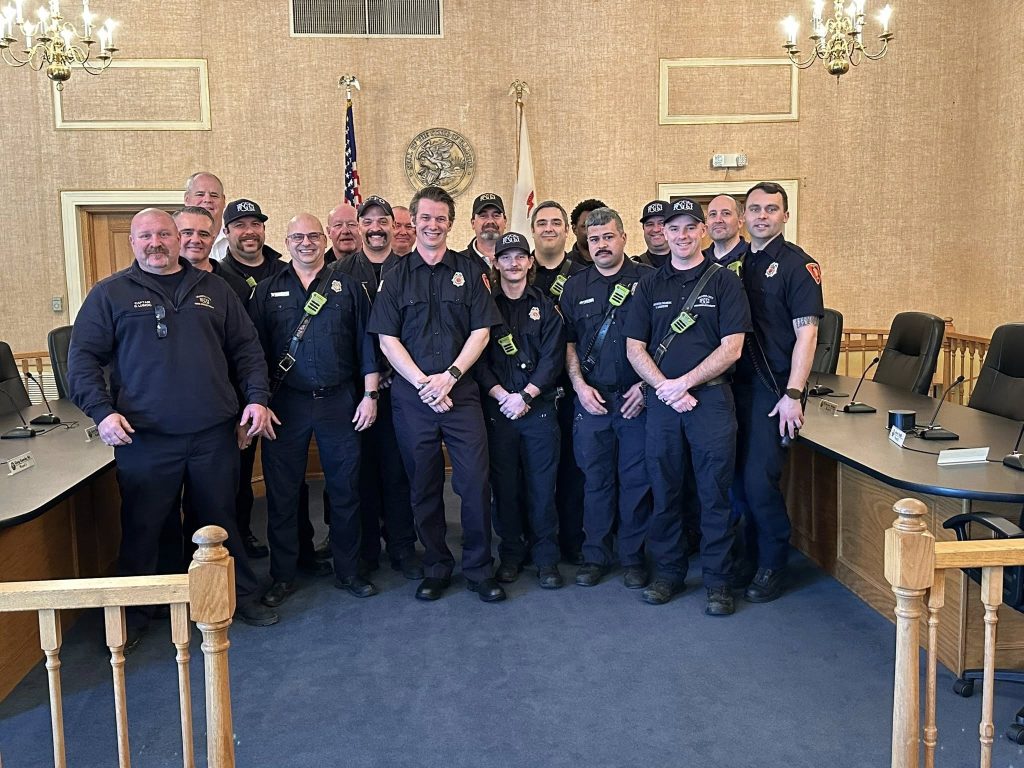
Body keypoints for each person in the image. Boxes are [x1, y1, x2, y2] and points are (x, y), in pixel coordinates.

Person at [67, 208, 278, 639]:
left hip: (212, 434)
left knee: (219, 521)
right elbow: (82, 360)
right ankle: (139, 612)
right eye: (146, 236)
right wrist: (102, 412)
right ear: (133, 242)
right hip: (144, 438)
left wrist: (257, 399)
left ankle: (236, 596)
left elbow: (247, 350)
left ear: (178, 240)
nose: (156, 243)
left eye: (164, 234)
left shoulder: (215, 289)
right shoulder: (110, 294)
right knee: (144, 527)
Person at [368, 185, 505, 603]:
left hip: (460, 395)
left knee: (474, 483)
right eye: (425, 218)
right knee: (423, 485)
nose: (432, 225)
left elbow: (482, 331)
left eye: (440, 218)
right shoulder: (394, 277)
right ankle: (436, 566)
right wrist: (424, 384)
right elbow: (387, 339)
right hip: (414, 399)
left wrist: (450, 376)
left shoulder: (470, 272)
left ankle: (479, 568)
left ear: (450, 223)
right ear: (412, 222)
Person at [624, 198, 751, 614]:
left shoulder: (724, 282)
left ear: (702, 231)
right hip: (663, 404)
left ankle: (718, 582)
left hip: (711, 401)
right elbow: (634, 348)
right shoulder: (649, 285)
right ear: (663, 233)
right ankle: (669, 573)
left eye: (689, 227)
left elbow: (732, 347)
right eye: (673, 228)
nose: (681, 235)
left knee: (714, 494)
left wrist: (684, 383)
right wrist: (665, 387)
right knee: (665, 490)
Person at [248, 213, 381, 607]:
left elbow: (367, 345)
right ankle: (284, 574)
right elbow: (253, 352)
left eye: (312, 236)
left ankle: (348, 569)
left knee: (345, 489)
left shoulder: (350, 288)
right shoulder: (267, 290)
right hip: (285, 405)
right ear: (286, 242)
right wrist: (259, 401)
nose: (305, 243)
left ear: (324, 239)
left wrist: (370, 395)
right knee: (283, 492)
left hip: (339, 402)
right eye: (297, 237)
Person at [733, 181, 823, 603]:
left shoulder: (798, 266)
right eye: (754, 209)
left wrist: (794, 393)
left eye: (771, 209)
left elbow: (807, 334)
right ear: (744, 217)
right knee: (736, 480)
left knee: (759, 481)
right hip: (734, 386)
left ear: (785, 216)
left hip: (773, 391)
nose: (762, 216)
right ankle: (749, 557)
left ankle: (773, 563)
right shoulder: (735, 263)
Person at [559, 207, 653, 589]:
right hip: (593, 401)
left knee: (636, 482)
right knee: (595, 480)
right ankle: (595, 555)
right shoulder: (575, 286)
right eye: (594, 239)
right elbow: (568, 344)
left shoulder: (648, 281)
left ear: (624, 238)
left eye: (608, 237)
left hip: (636, 400)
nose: (601, 245)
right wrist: (579, 387)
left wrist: (646, 386)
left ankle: (633, 558)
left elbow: (662, 340)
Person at [477, 232, 566, 588]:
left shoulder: (546, 306)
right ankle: (511, 554)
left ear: (530, 262)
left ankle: (546, 559)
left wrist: (525, 396)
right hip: (499, 412)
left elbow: (553, 358)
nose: (513, 263)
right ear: (495, 263)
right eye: (506, 257)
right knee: (505, 489)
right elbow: (479, 360)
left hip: (539, 411)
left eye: (520, 257)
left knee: (543, 489)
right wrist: (503, 396)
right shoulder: (484, 307)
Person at [341, 195, 421, 579]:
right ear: (359, 227)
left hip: (401, 388)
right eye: (367, 221)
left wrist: (392, 370)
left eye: (383, 221)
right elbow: (341, 333)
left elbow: (417, 329)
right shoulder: (339, 272)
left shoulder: (411, 270)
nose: (376, 228)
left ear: (394, 226)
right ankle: (367, 550)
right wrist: (369, 378)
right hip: (355, 392)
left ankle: (403, 547)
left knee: (397, 470)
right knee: (360, 472)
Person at [214, 199, 289, 560]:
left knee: (285, 470)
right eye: (240, 225)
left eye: (255, 224)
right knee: (239, 472)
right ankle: (240, 538)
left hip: (285, 388)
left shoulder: (284, 269)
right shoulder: (216, 278)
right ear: (226, 232)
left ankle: (294, 544)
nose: (249, 232)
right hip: (238, 391)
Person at [529, 200, 586, 563]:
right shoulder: (517, 270)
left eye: (555, 222)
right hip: (528, 389)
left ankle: (572, 540)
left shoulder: (584, 274)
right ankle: (529, 541)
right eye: (542, 223)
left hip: (572, 386)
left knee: (572, 467)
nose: (548, 228)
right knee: (530, 472)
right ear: (533, 230)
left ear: (567, 230)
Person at [174, 206, 249, 302]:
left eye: (203, 234)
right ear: (173, 236)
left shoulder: (236, 286)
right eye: (187, 233)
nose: (196, 240)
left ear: (213, 240)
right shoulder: (157, 281)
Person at [183, 172, 229, 261]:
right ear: (186, 199)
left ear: (223, 201)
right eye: (200, 194)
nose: (207, 200)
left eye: (214, 195)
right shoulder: (174, 238)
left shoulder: (235, 236)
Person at [703, 194, 748, 272]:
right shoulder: (699, 260)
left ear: (740, 221)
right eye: (713, 214)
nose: (718, 220)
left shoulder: (755, 257)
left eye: (726, 213)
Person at [462, 193, 507, 270]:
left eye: (496, 215)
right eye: (483, 216)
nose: (490, 221)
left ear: (505, 222)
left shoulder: (518, 262)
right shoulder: (458, 263)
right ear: (473, 223)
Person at [633, 200, 671, 268]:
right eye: (650, 224)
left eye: (661, 223)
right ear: (643, 228)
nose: (656, 229)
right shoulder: (633, 267)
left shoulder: (689, 264)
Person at [568, 198, 607, 264]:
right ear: (574, 229)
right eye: (587, 226)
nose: (594, 232)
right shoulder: (564, 267)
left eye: (600, 225)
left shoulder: (620, 263)